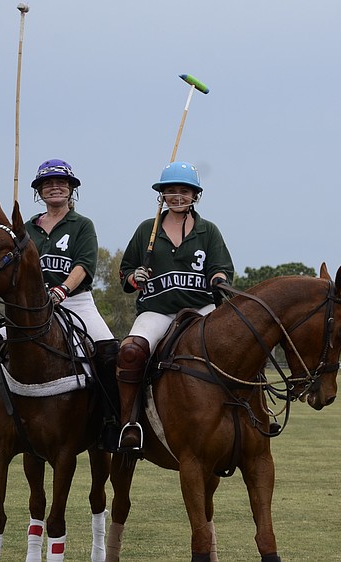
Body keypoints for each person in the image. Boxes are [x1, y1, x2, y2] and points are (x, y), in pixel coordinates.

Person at [0, 159, 121, 450]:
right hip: (28, 308)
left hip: (74, 301)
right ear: (39, 191)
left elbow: (85, 265)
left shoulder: (82, 225)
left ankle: (110, 423)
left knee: (109, 352)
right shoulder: (26, 230)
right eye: (48, 183)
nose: (55, 187)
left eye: (61, 182)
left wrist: (62, 290)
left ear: (71, 189)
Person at [115, 161, 234, 451]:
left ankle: (249, 413)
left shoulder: (209, 231)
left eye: (184, 190)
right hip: (157, 309)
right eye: (171, 191)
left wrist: (218, 280)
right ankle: (129, 423)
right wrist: (134, 276)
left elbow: (221, 268)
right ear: (162, 195)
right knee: (130, 352)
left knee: (235, 346)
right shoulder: (148, 229)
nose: (178, 196)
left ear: (195, 195)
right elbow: (125, 271)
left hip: (200, 310)